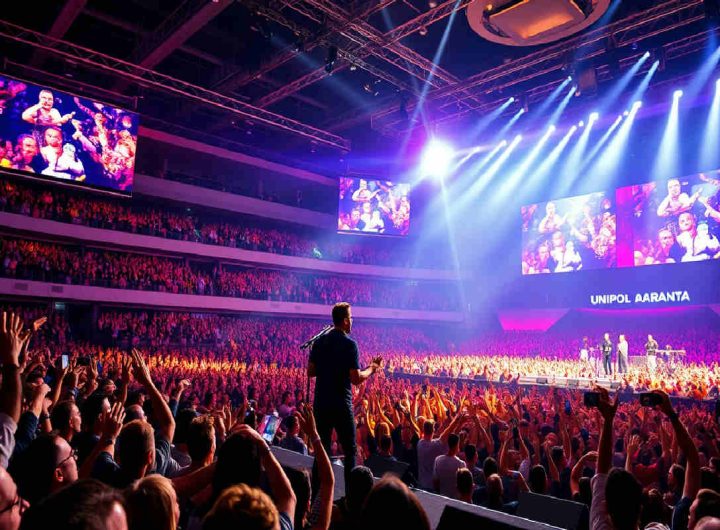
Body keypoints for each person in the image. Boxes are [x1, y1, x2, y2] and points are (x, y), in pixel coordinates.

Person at [308, 302, 382, 495]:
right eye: (351, 317)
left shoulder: (319, 342)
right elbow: (356, 378)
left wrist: (326, 366)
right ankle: (351, 499)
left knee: (321, 449)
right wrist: (372, 368)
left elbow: (310, 371)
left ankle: (314, 495)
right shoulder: (349, 344)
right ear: (345, 320)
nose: (352, 320)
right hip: (341, 403)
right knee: (350, 452)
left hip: (321, 403)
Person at [433, 433, 466, 498]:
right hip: (455, 500)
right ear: (457, 445)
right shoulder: (461, 464)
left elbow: (435, 481)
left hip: (441, 497)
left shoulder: (438, 459)